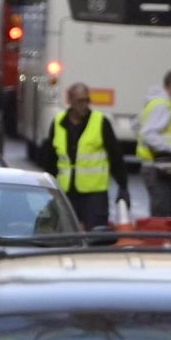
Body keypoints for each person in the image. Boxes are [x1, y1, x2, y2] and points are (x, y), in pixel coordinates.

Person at [43, 82, 129, 231]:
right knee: (66, 235)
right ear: (70, 100)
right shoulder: (58, 122)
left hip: (94, 195)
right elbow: (50, 159)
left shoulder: (101, 122)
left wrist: (123, 186)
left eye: (87, 100)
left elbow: (116, 157)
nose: (84, 105)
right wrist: (47, 186)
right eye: (80, 101)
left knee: (96, 236)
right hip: (67, 192)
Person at [136, 68, 171, 218]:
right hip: (155, 166)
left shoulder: (159, 103)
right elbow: (148, 134)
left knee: (163, 209)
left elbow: (138, 125)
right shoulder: (162, 106)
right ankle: (160, 240)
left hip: (156, 165)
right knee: (162, 212)